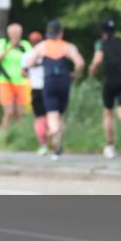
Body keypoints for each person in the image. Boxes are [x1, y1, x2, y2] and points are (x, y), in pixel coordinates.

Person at [28, 20, 85, 161]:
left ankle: (54, 137)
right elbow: (80, 63)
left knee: (52, 115)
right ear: (61, 32)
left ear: (48, 33)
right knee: (60, 114)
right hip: (64, 81)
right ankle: (58, 142)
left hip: (49, 81)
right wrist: (75, 75)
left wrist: (38, 64)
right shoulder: (68, 47)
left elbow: (29, 63)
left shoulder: (42, 46)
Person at [89, 19, 121, 158]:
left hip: (110, 80)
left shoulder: (101, 44)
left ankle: (110, 146)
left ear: (102, 32)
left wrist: (92, 69)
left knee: (108, 113)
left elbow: (98, 59)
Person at [0, 23, 32, 129]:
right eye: (13, 33)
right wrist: (10, 47)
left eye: (18, 33)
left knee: (20, 113)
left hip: (22, 82)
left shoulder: (25, 45)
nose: (16, 36)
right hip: (5, 81)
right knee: (8, 112)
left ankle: (19, 137)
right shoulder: (2, 43)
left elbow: (32, 61)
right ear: (9, 34)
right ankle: (3, 135)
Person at [21, 31, 48, 155]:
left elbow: (23, 73)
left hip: (36, 88)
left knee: (39, 118)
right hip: (48, 87)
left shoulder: (27, 55)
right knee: (51, 116)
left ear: (30, 42)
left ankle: (43, 144)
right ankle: (54, 141)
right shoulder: (47, 54)